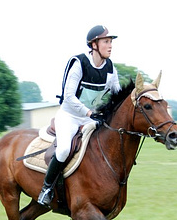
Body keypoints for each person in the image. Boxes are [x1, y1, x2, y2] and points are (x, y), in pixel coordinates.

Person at [37, 25, 121, 207]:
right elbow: (68, 96)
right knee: (64, 149)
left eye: (111, 42)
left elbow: (117, 95)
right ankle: (47, 188)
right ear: (94, 44)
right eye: (106, 41)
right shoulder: (79, 63)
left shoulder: (110, 68)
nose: (110, 45)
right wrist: (90, 113)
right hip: (69, 116)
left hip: (91, 118)